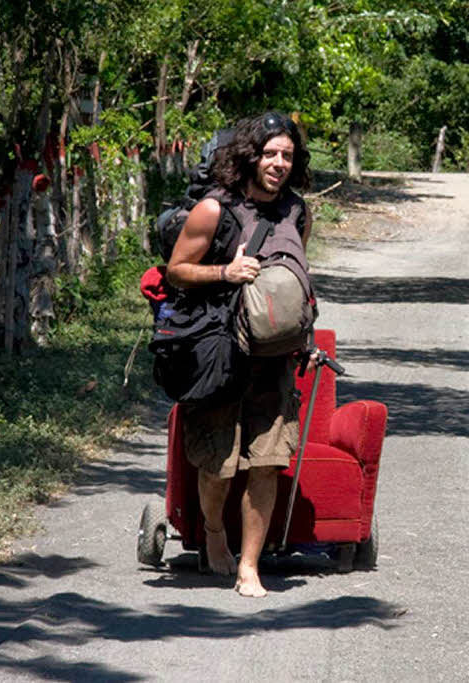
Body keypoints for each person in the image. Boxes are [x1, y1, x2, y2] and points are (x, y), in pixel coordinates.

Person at [166, 112, 312, 598]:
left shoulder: (297, 211)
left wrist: (304, 336)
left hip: (276, 356)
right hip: (221, 352)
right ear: (251, 156)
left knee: (267, 461)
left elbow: (295, 280)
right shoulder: (214, 209)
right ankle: (213, 533)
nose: (279, 163)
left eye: (287, 155)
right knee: (219, 464)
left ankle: (250, 566)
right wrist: (225, 274)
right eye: (271, 153)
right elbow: (177, 271)